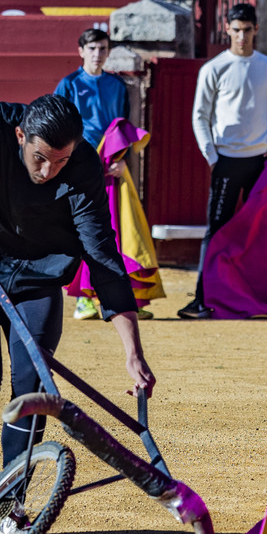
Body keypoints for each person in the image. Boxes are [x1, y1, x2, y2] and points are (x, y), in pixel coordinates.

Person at [0, 94, 155, 534]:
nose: (48, 171)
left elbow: (102, 254)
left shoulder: (84, 168)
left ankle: (10, 506)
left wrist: (133, 352)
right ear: (20, 136)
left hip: (37, 275)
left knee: (32, 389)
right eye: (40, 158)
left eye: (61, 161)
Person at [181, 2, 267, 319]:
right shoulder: (214, 68)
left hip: (261, 162)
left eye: (247, 30)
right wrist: (211, 156)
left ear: (256, 30)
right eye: (236, 30)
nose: (242, 36)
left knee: (258, 232)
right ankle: (202, 300)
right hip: (225, 160)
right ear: (227, 30)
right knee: (217, 230)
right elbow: (199, 116)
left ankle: (252, 300)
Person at [54, 28, 163, 320]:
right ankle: (85, 298)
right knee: (84, 229)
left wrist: (122, 159)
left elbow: (121, 127)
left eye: (103, 48)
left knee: (118, 228)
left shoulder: (116, 85)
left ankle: (124, 296)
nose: (98, 54)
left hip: (112, 164)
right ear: (81, 51)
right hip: (80, 164)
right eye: (92, 48)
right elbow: (59, 128)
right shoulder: (68, 85)